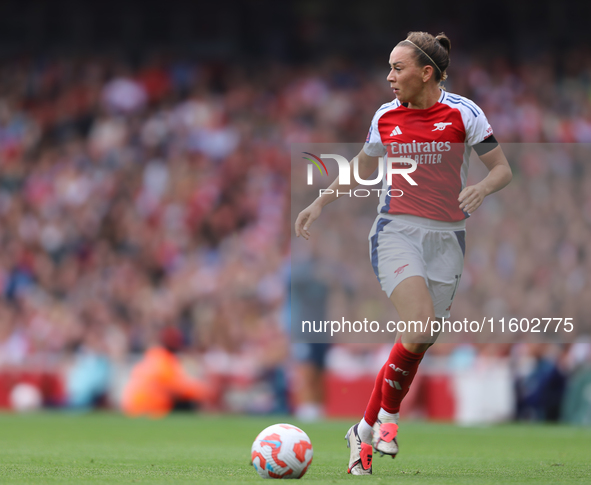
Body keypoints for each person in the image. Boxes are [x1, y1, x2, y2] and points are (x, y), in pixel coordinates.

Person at [294, 31, 512, 475]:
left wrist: (481, 188)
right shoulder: (385, 117)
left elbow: (503, 169)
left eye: (398, 68)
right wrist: (320, 201)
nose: (389, 77)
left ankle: (364, 429)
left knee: (417, 341)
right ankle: (389, 420)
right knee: (418, 325)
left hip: (448, 238)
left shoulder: (464, 114)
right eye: (389, 68)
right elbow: (361, 168)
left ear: (426, 72)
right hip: (397, 230)